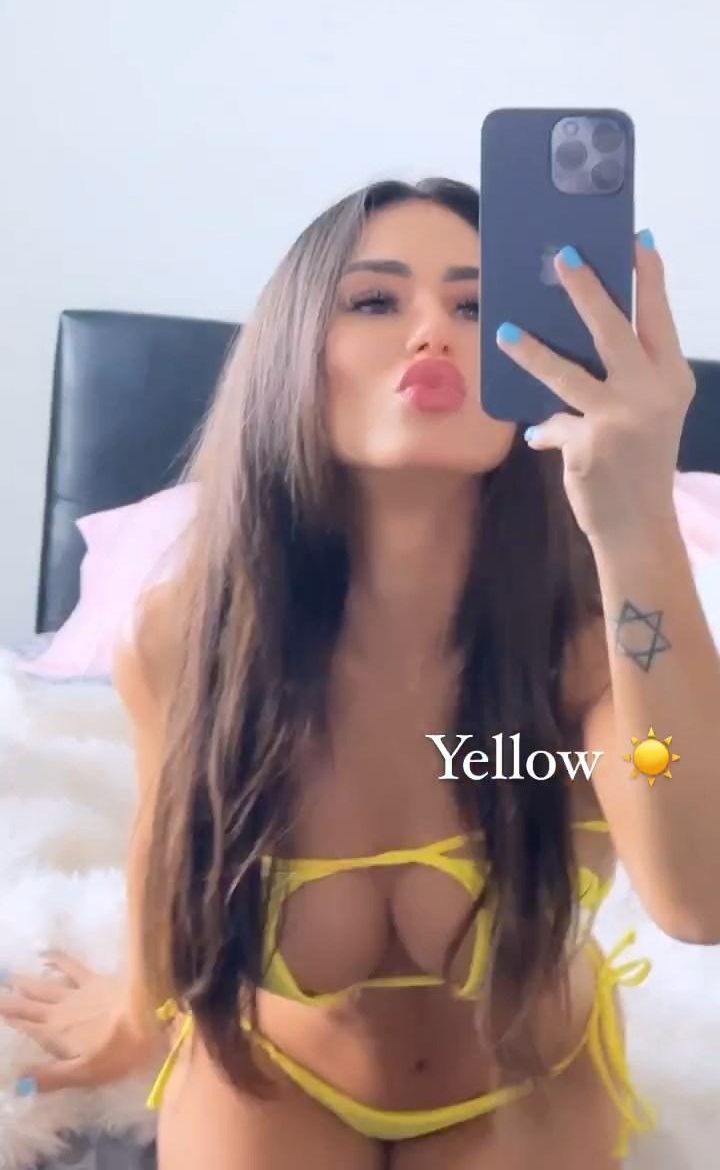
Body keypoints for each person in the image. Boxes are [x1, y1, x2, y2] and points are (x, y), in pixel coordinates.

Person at [2, 177, 716, 1169]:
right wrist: (134, 1012)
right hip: (270, 1071)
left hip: (529, 1078)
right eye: (376, 300)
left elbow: (700, 894)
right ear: (293, 353)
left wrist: (636, 521)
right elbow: (165, 845)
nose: (431, 334)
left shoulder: (591, 653)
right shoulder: (182, 636)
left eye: (476, 307)